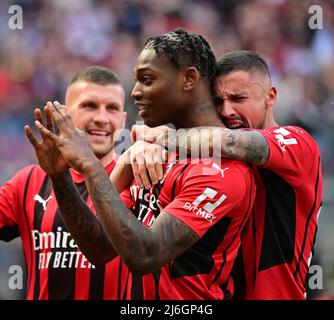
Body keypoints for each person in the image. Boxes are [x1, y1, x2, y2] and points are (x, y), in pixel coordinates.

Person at [28, 29, 256, 300]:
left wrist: (90, 164)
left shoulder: (223, 171)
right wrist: (60, 176)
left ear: (189, 79)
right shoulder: (152, 152)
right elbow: (99, 247)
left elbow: (145, 255)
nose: (135, 92)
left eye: (147, 80)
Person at [131, 50, 323, 300]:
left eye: (238, 98)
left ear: (270, 96)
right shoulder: (209, 158)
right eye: (218, 101)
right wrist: (145, 146)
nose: (227, 110)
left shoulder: (298, 143)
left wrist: (163, 137)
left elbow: (235, 144)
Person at [0, 65, 127, 299]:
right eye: (90, 106)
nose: (102, 118)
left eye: (112, 108)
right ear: (64, 113)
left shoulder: (137, 179)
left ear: (123, 117)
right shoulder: (28, 182)